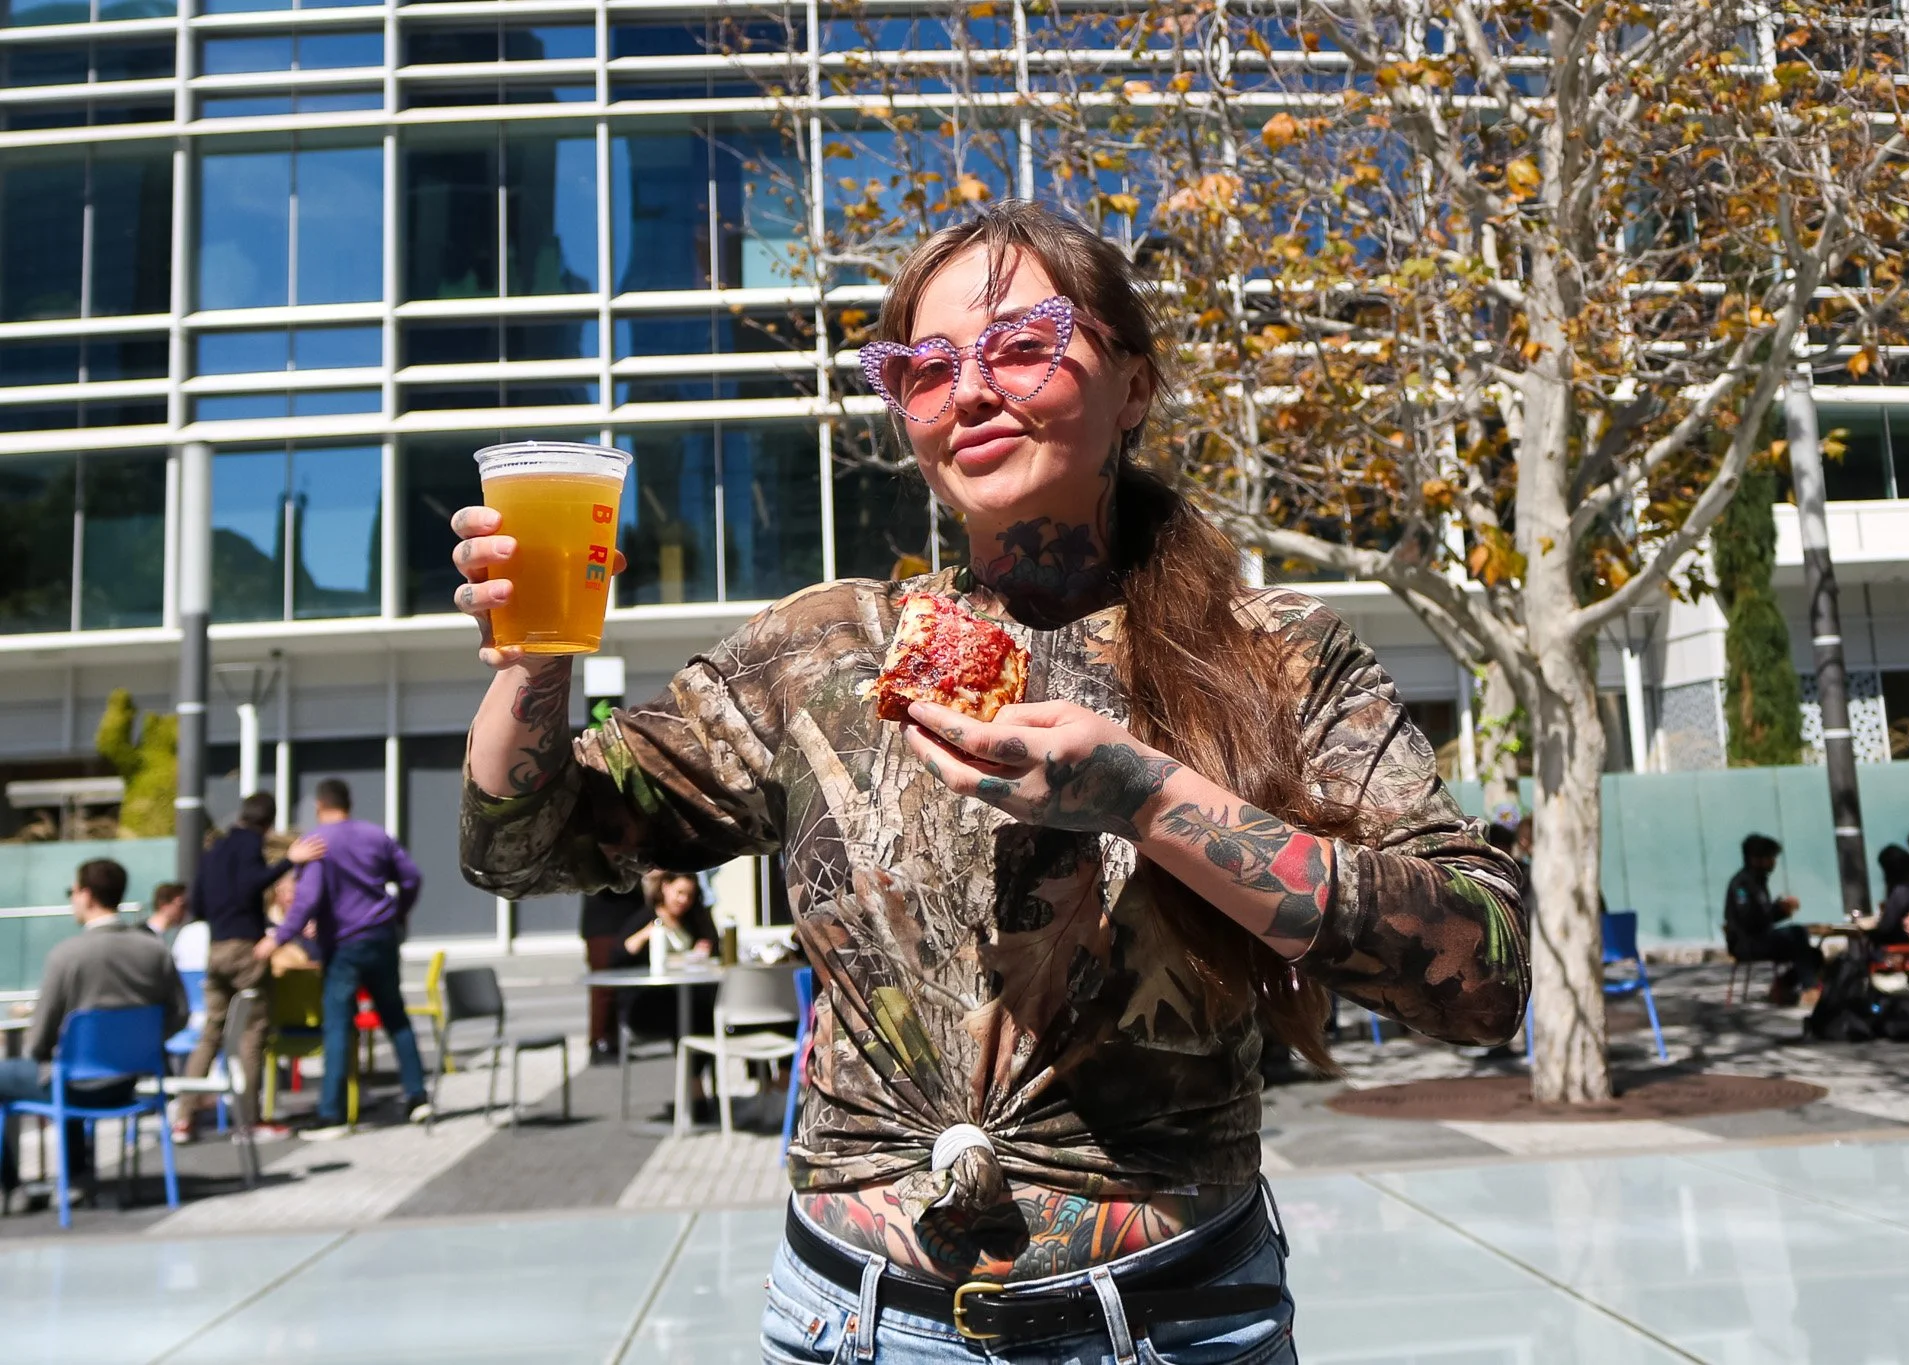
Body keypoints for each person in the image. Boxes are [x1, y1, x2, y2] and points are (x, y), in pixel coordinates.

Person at [453, 200, 1528, 1359]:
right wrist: (534, 670)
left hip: (1171, 1323)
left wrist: (1149, 799)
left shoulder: (1271, 654)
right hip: (851, 1325)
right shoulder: (827, 651)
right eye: (922, 368)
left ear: (1133, 387)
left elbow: (1484, 975)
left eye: (1022, 346)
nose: (966, 393)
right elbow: (522, 844)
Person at [0, 859, 184, 1201]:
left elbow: (38, 1040)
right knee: (65, 1067)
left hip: (74, 1083)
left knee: (51, 1069)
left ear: (86, 894)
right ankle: (78, 1177)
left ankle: (10, 1189)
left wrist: (46, 1053)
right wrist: (140, 1045)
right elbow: (179, 1013)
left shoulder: (67, 956)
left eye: (73, 892)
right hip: (132, 1080)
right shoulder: (154, 950)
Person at [254, 778, 428, 1137]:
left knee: (337, 1024)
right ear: (348, 802)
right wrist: (398, 913)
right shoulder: (376, 835)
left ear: (319, 805)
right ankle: (417, 1096)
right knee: (395, 1017)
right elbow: (410, 878)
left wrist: (281, 936)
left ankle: (332, 1113)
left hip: (344, 944)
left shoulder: (317, 843)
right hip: (380, 936)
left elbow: (308, 899)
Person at [177, 794, 324, 1141]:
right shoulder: (250, 848)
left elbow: (197, 903)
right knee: (253, 1033)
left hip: (216, 949)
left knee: (211, 1033)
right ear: (268, 824)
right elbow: (251, 884)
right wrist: (289, 860)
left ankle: (183, 1117)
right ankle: (249, 1120)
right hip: (246, 948)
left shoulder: (214, 851)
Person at [618, 871, 721, 1121]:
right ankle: (696, 1098)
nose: (684, 900)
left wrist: (704, 947)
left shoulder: (692, 921)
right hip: (647, 1005)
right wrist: (645, 935)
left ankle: (696, 1097)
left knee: (703, 1016)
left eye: (689, 895)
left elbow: (714, 947)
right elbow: (618, 956)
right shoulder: (646, 918)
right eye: (680, 893)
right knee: (686, 1019)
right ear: (664, 888)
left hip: (683, 1000)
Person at [1724, 833, 1822, 997]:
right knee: (1797, 933)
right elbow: (1750, 921)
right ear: (1755, 859)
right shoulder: (1742, 885)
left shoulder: (1759, 882)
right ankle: (1810, 989)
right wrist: (1777, 909)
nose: (1773, 862)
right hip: (1746, 943)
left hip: (1761, 938)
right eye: (1770, 857)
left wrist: (1780, 910)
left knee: (1814, 955)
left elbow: (1764, 917)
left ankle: (1782, 986)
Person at [579, 883, 645, 1065]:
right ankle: (599, 1042)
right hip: (605, 925)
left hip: (625, 920)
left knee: (618, 990)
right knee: (604, 988)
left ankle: (613, 1041)